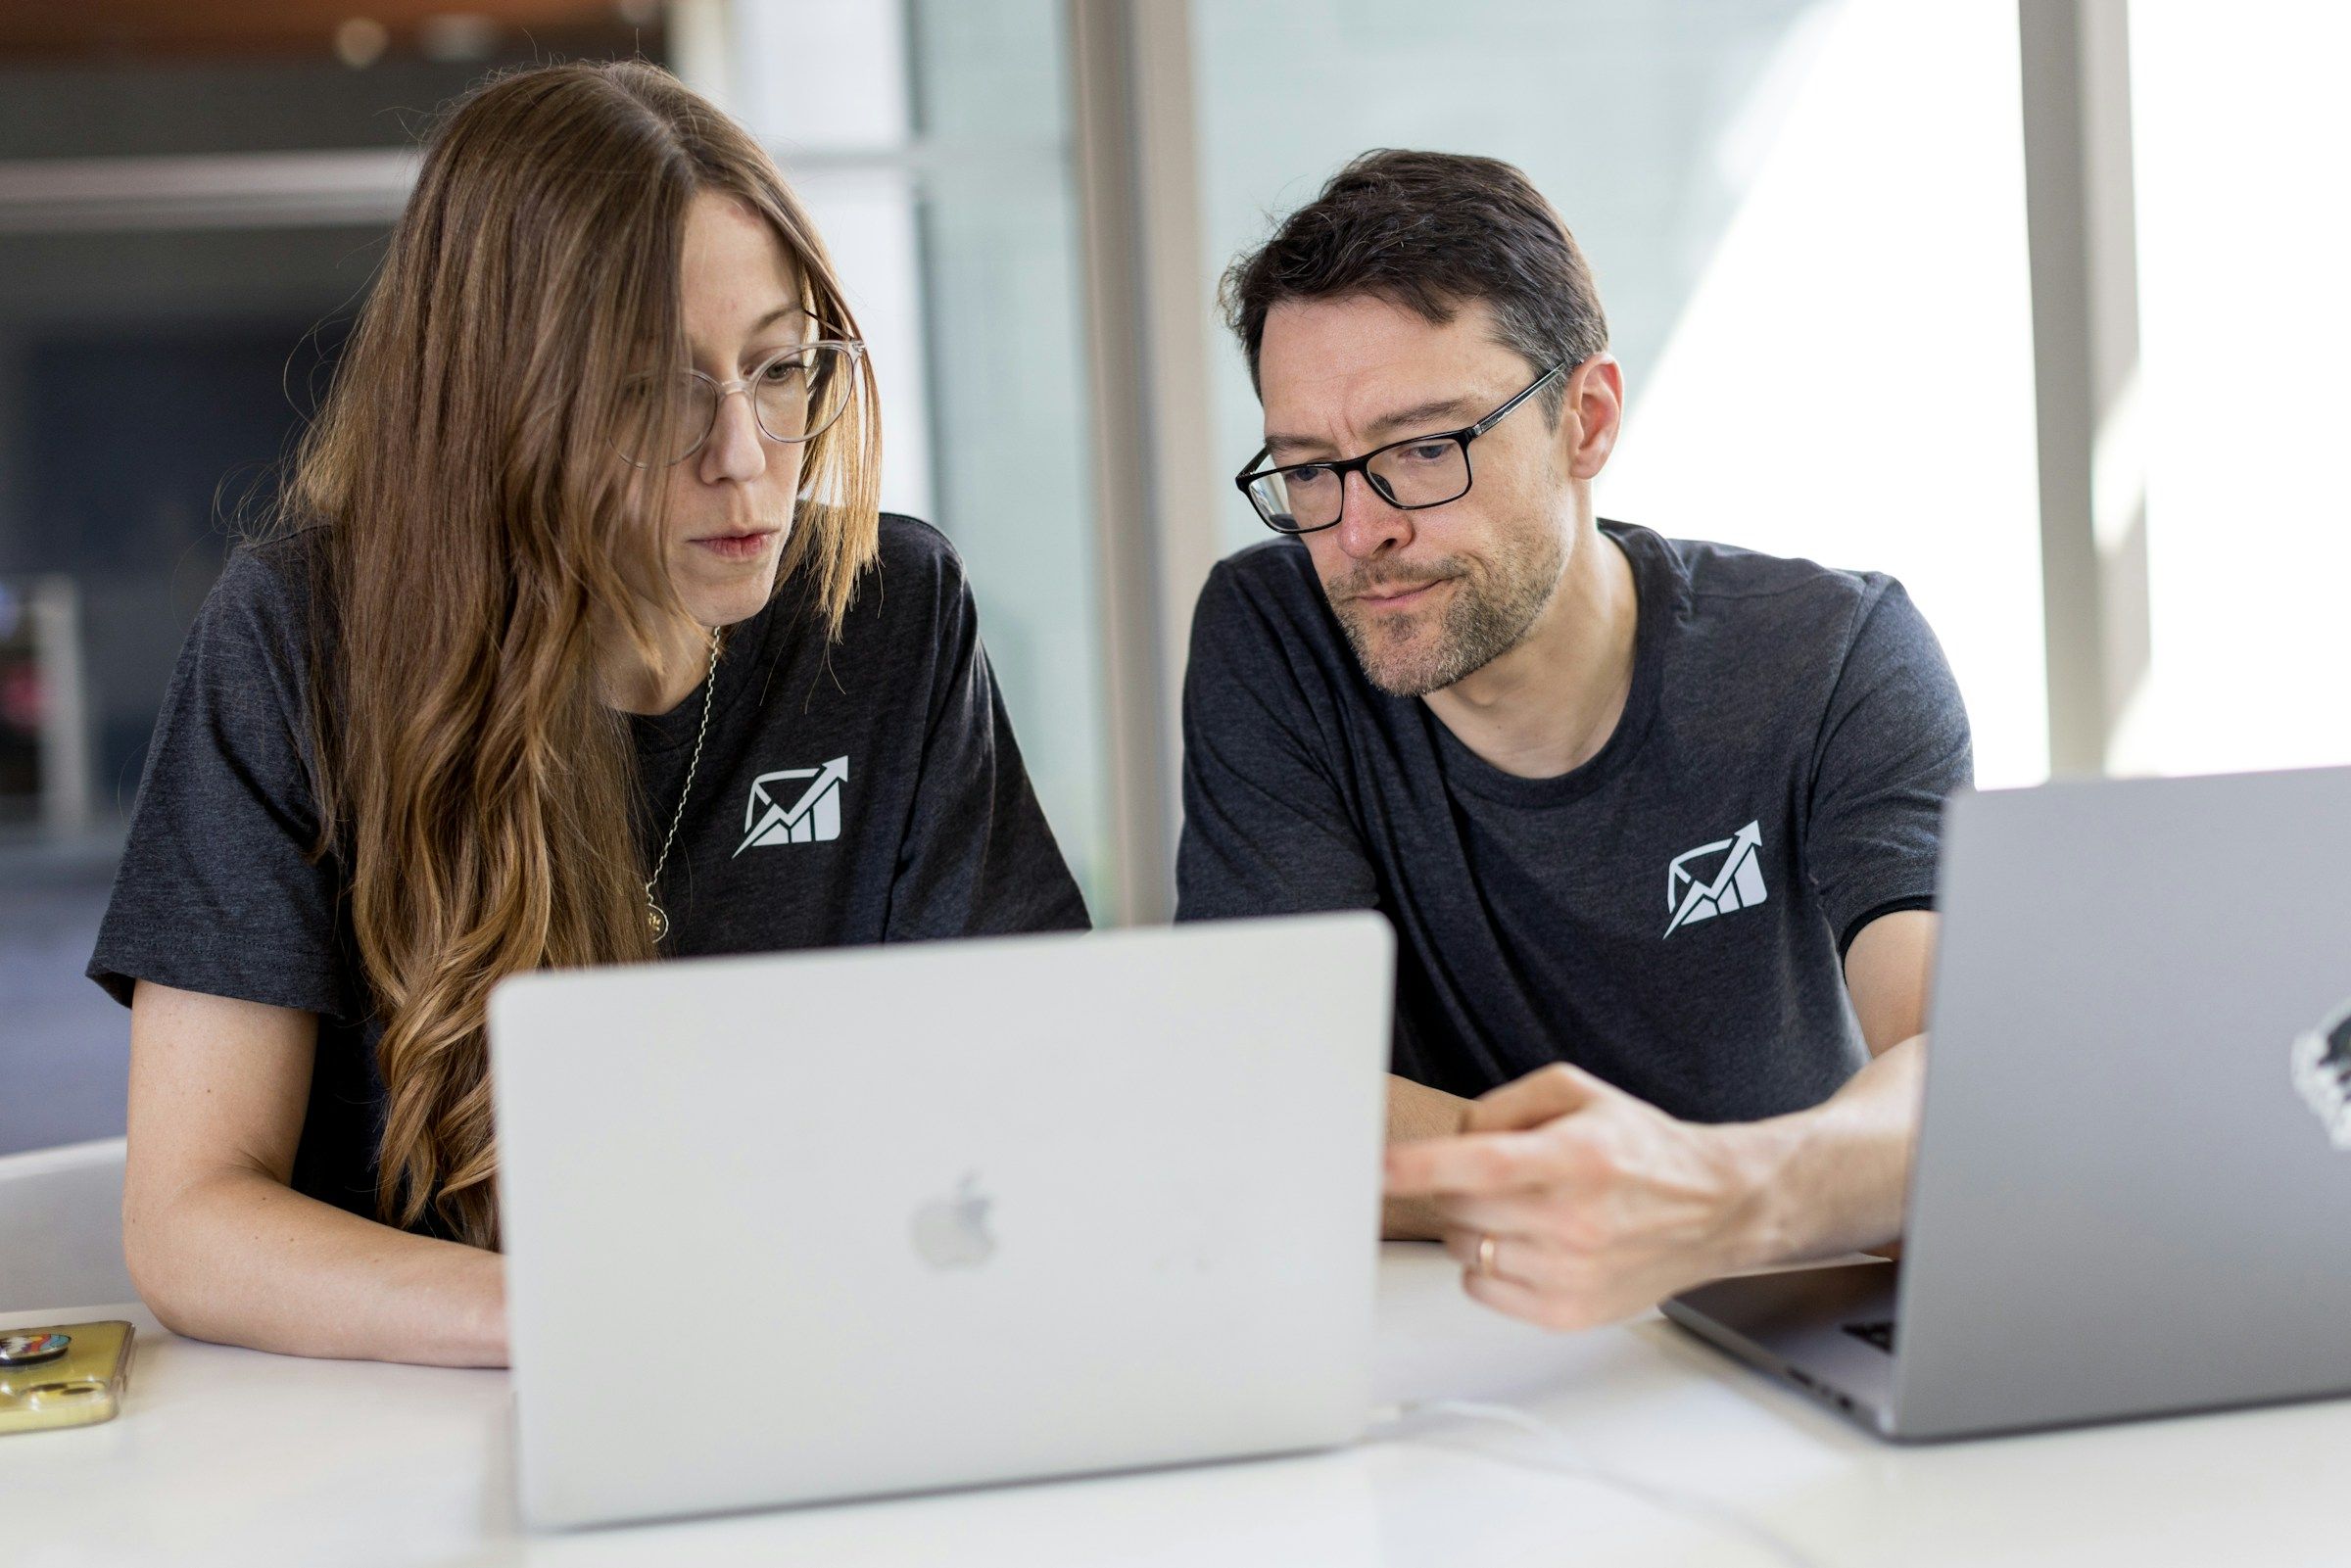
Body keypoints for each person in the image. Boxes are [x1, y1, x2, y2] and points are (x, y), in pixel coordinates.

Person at [85, 61, 1087, 1367]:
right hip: (419, 1428)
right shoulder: (295, 635)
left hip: (835, 1355)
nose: (744, 458)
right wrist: (577, 1317)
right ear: (501, 407)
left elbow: (1044, 1072)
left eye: (780, 369)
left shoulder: (892, 608)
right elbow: (191, 1220)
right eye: (651, 391)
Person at [1178, 150, 1967, 1330]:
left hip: (1777, 1303)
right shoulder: (1275, 633)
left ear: (1585, 420)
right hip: (1447, 1337)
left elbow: (1963, 1071)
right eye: (1307, 471)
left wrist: (1710, 1198)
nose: (1357, 532)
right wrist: (1605, 1188)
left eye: (1420, 451)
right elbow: (1262, 1088)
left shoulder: (1833, 656)